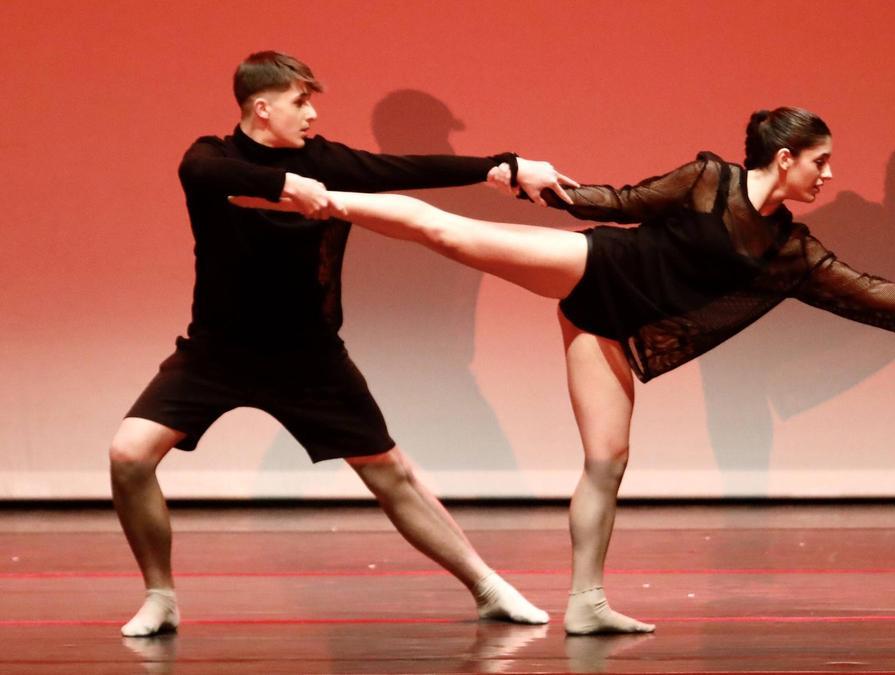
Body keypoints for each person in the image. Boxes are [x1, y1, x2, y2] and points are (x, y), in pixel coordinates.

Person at [233, 106, 895, 634]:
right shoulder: (710, 179)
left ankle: (587, 602)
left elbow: (864, 293)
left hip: (612, 329)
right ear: (784, 158)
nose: (828, 176)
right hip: (591, 269)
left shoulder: (790, 249)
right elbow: (627, 199)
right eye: (821, 163)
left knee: (607, 460)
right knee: (452, 234)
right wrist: (553, 189)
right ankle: (322, 200)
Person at [111, 50, 576, 637]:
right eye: (300, 102)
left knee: (390, 474)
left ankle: (489, 587)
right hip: (215, 354)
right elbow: (202, 175)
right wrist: (285, 184)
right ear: (262, 106)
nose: (310, 114)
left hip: (310, 358)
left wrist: (501, 166)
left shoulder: (325, 160)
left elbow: (401, 170)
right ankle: (161, 597)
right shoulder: (212, 157)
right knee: (129, 456)